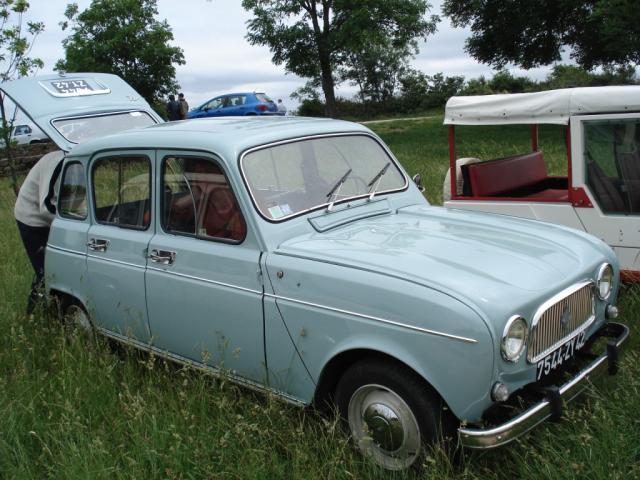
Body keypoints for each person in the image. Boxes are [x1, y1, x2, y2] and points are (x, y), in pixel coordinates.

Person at [14, 150, 65, 314]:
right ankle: (37, 314)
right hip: (31, 218)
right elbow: (46, 207)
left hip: (52, 219)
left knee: (54, 266)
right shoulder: (56, 162)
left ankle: (45, 311)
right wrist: (72, 225)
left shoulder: (77, 159)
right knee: (46, 270)